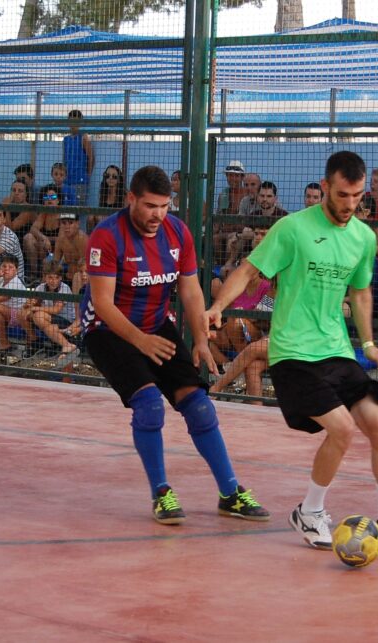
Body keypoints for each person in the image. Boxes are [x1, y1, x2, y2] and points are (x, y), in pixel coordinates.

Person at [206, 150, 378, 550]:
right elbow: (248, 270)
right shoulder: (292, 229)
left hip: (337, 351)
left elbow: (360, 293)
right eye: (343, 195)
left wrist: (368, 344)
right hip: (292, 353)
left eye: (357, 196)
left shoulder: (362, 237)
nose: (350, 205)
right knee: (342, 429)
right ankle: (309, 512)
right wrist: (218, 307)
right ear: (326, 187)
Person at [82, 165, 269, 525]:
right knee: (150, 406)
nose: (158, 214)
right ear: (131, 199)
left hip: (155, 325)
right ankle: (161, 493)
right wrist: (141, 341)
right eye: (150, 206)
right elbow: (103, 303)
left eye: (165, 206)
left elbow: (189, 287)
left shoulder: (177, 232)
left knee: (199, 406)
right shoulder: (106, 237)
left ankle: (231, 493)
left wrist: (200, 339)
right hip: (108, 330)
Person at [63, 109, 94, 206]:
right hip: (67, 180)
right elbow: (64, 159)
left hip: (80, 180)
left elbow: (91, 158)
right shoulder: (66, 139)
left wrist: (87, 175)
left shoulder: (84, 138)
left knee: (78, 208)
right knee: (66, 206)